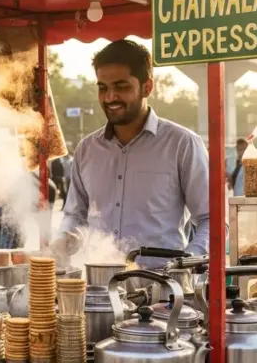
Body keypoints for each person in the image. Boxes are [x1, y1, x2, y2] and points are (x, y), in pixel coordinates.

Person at [60, 39, 210, 266]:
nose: (110, 97)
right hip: (98, 280)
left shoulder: (182, 144)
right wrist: (61, 243)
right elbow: (75, 217)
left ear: (147, 87)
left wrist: (186, 262)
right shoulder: (87, 149)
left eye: (121, 87)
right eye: (103, 88)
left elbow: (211, 220)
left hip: (163, 282)